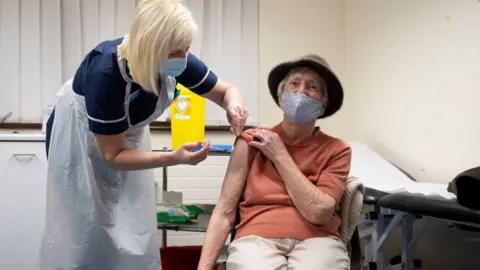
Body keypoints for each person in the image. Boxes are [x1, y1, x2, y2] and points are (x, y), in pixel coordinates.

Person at [38, 0, 248, 269]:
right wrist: (174, 157)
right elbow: (112, 154)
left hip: (125, 144)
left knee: (132, 223)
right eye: (177, 51)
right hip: (81, 145)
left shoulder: (175, 57)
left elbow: (226, 90)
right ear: (152, 49)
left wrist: (234, 106)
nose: (185, 56)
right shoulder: (106, 73)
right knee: (84, 230)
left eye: (187, 48)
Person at [198, 54, 352, 270]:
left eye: (313, 87)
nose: (301, 92)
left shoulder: (337, 149)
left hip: (318, 239)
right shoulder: (251, 141)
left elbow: (319, 212)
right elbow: (224, 211)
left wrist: (279, 155)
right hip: (256, 238)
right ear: (281, 97)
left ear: (323, 105)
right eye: (294, 84)